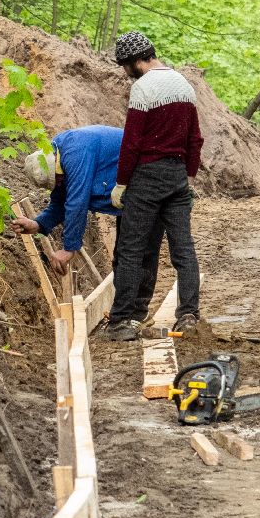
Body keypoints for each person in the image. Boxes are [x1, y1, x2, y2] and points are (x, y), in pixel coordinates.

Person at [104, 30, 202, 341]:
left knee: (131, 249)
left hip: (146, 176)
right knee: (183, 250)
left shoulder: (143, 89)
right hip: (176, 176)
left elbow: (132, 143)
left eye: (124, 66)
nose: (125, 73)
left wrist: (121, 183)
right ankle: (188, 314)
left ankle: (121, 321)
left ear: (135, 61)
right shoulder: (184, 85)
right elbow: (195, 139)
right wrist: (187, 179)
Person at [12, 125, 164, 325]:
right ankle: (127, 314)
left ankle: (133, 315)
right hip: (130, 191)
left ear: (57, 171)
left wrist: (69, 248)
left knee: (138, 252)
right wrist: (38, 224)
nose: (59, 185)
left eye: (58, 182)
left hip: (151, 181)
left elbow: (77, 201)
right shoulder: (58, 155)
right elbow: (61, 201)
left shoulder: (75, 153)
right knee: (125, 255)